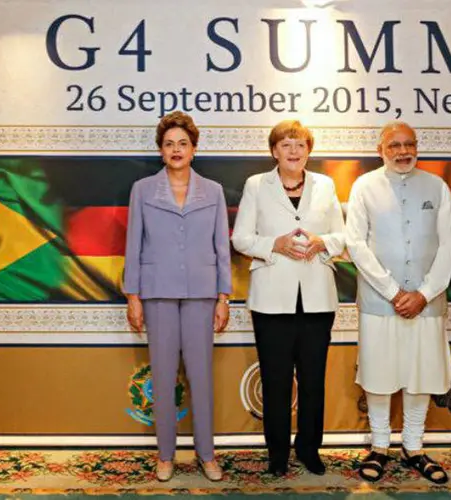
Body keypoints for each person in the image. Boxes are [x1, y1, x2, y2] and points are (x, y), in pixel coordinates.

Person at [345, 121, 451, 484]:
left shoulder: (437, 187)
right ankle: (380, 446)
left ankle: (414, 446)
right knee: (379, 375)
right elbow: (356, 244)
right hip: (381, 303)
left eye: (409, 144)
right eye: (394, 145)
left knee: (420, 375)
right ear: (381, 150)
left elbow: (450, 244)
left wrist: (424, 293)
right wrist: (394, 292)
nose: (402, 151)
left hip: (426, 303)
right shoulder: (365, 186)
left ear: (417, 147)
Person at [231, 120, 346, 477]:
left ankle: (310, 449)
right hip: (271, 302)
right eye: (286, 145)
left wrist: (321, 242)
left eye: (299, 145)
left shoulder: (325, 185)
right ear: (274, 151)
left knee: (313, 380)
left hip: (316, 300)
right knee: (276, 380)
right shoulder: (256, 185)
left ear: (309, 151)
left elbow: (344, 238)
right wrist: (274, 245)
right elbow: (241, 238)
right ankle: (277, 454)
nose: (293, 151)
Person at [123, 111, 231, 482]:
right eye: (169, 144)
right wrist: (133, 296)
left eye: (182, 143)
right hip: (157, 294)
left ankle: (207, 454)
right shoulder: (141, 190)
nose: (176, 149)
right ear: (160, 151)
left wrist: (223, 296)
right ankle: (165, 455)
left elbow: (221, 247)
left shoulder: (213, 191)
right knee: (163, 377)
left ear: (194, 149)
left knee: (201, 377)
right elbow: (133, 244)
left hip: (202, 294)